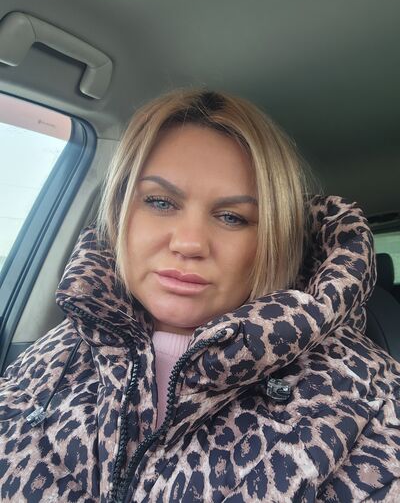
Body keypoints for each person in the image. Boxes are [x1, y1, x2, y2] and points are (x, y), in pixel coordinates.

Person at [0, 89, 399, 503]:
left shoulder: (368, 402)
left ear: (273, 240)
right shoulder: (48, 359)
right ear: (120, 213)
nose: (189, 243)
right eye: (160, 202)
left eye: (232, 217)